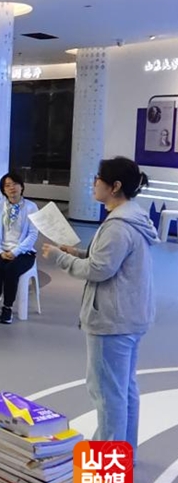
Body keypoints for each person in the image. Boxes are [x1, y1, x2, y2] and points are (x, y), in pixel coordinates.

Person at [42, 157, 157, 457]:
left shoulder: (118, 226)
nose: (94, 183)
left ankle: (106, 460)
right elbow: (107, 259)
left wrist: (61, 258)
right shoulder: (133, 218)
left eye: (98, 178)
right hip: (131, 317)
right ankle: (123, 454)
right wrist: (77, 252)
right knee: (124, 389)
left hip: (111, 320)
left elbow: (99, 269)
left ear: (115, 186)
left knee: (107, 393)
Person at [0, 172, 39, 324]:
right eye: (7, 185)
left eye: (15, 184)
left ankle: (7, 307)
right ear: (3, 190)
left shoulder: (31, 207)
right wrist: (0, 251)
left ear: (22, 187)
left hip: (24, 252)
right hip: (1, 250)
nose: (12, 188)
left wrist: (15, 252)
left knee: (11, 269)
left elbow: (33, 234)